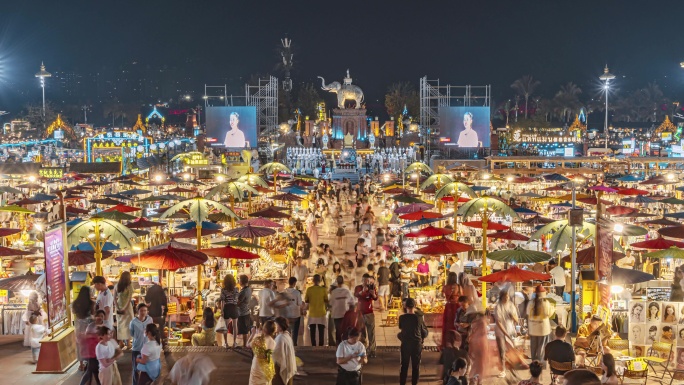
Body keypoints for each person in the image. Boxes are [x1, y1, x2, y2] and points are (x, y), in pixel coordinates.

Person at [398, 298, 427, 385]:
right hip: (416, 343)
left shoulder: (402, 318)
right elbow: (423, 331)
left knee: (404, 365)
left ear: (405, 306)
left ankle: (402, 383)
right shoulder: (419, 318)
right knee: (416, 366)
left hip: (406, 343)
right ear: (415, 306)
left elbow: (401, 328)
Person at [495, 290, 519, 378]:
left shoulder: (511, 305)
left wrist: (513, 317)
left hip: (510, 330)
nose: (506, 298)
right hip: (500, 332)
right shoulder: (498, 306)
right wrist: (505, 333)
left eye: (508, 297)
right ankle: (503, 369)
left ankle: (512, 367)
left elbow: (516, 320)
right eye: (505, 297)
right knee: (502, 351)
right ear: (501, 297)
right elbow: (498, 322)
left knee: (511, 350)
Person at [527, 285, 553, 364]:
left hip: (533, 328)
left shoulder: (531, 302)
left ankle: (534, 362)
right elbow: (549, 314)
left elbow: (528, 313)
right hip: (543, 329)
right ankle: (539, 363)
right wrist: (553, 308)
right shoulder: (545, 303)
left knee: (533, 346)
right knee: (541, 346)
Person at [354, 273, 378, 357]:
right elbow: (356, 295)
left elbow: (375, 298)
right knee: (361, 333)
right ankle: (363, 350)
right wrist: (363, 291)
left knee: (371, 333)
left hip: (369, 313)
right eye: (365, 280)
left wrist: (373, 293)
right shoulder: (358, 287)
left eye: (368, 280)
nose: (367, 282)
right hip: (360, 313)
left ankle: (372, 350)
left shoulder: (372, 287)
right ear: (362, 280)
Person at [72, 286, 95, 371]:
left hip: (78, 325)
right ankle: (89, 362)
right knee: (88, 343)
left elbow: (73, 312)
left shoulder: (75, 303)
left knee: (79, 344)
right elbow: (93, 313)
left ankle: (81, 364)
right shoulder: (91, 303)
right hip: (88, 325)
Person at [248, 320, 277, 385]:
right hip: (268, 366)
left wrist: (253, 334)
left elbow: (248, 345)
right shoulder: (274, 342)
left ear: (265, 329)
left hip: (257, 365)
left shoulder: (258, 340)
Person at [130, 304, 153, 385]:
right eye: (141, 310)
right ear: (137, 311)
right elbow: (132, 333)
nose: (143, 312)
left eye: (145, 310)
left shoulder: (150, 319)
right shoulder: (133, 322)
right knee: (136, 369)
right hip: (137, 348)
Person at [81, 310, 105, 385]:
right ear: (95, 317)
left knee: (95, 371)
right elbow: (85, 336)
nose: (100, 318)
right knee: (90, 371)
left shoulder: (104, 327)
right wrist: (94, 336)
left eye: (102, 316)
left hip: (99, 353)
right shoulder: (91, 326)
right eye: (99, 316)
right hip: (92, 353)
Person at [330, 275, 356, 344]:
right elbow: (352, 303)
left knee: (338, 331)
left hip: (336, 314)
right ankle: (346, 345)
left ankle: (338, 346)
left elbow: (331, 303)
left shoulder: (333, 292)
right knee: (345, 330)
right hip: (345, 314)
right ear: (343, 282)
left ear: (336, 282)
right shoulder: (347, 291)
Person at [305, 274, 328, 346]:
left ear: (313, 281)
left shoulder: (309, 289)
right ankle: (321, 346)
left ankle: (313, 345)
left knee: (312, 331)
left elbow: (306, 300)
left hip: (312, 312)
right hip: (321, 312)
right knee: (321, 330)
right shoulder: (323, 289)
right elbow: (326, 300)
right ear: (320, 281)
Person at [272, 317, 297, 385]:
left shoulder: (281, 338)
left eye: (275, 325)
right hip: (287, 367)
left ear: (280, 327)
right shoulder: (286, 335)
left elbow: (275, 354)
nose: (273, 327)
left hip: (280, 368)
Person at [468, 313, 490, 385]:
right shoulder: (482, 322)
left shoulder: (475, 322)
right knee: (480, 363)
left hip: (476, 343)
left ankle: (475, 378)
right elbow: (485, 332)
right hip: (481, 343)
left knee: (476, 362)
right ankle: (478, 380)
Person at [144, 280, 167, 346]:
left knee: (150, 328)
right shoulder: (161, 290)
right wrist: (165, 311)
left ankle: (151, 342)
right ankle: (162, 342)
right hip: (159, 313)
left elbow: (147, 299)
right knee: (161, 329)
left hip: (151, 313)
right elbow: (164, 301)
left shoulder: (150, 290)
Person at [219, 274, 239, 348]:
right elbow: (237, 299)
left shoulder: (223, 290)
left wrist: (222, 310)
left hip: (227, 307)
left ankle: (226, 343)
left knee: (226, 326)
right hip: (234, 307)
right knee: (235, 326)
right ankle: (234, 343)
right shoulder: (236, 289)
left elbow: (222, 301)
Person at [115, 271, 134, 349]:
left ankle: (121, 343)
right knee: (128, 325)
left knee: (120, 325)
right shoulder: (129, 286)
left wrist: (117, 307)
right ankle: (129, 343)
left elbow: (114, 299)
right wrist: (124, 308)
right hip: (127, 308)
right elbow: (129, 299)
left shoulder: (117, 285)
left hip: (118, 306)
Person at [442, 272, 461, 348]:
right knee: (456, 323)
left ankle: (447, 343)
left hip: (448, 306)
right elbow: (461, 295)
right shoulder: (458, 286)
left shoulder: (445, 287)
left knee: (447, 324)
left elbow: (442, 295)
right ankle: (455, 342)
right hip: (456, 306)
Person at [282, 277, 303, 346]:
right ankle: (294, 345)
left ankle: (287, 345)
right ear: (294, 283)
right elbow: (299, 304)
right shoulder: (297, 292)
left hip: (286, 315)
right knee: (295, 331)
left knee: (287, 331)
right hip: (295, 315)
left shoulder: (284, 292)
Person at [237, 275, 253, 348]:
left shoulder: (243, 292)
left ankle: (244, 345)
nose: (238, 281)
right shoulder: (249, 289)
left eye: (239, 280)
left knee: (244, 331)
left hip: (242, 312)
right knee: (247, 329)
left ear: (242, 281)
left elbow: (238, 302)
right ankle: (247, 344)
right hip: (246, 311)